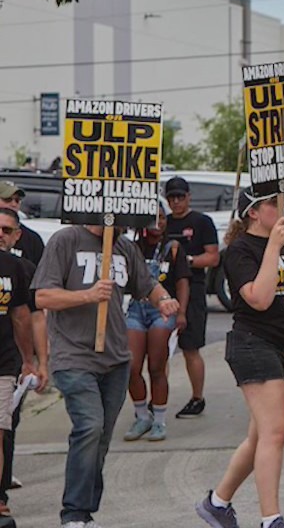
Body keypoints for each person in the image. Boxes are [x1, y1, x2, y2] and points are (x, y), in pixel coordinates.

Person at [34, 221, 179, 528]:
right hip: (73, 355)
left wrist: (163, 299)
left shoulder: (124, 247)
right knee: (89, 426)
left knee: (100, 438)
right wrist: (87, 295)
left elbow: (147, 285)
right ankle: (73, 513)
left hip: (115, 358)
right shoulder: (66, 240)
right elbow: (43, 297)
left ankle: (85, 513)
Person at [196, 189, 284, 528]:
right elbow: (259, 299)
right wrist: (274, 248)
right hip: (253, 343)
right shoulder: (240, 251)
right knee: (275, 432)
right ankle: (271, 519)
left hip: (282, 345)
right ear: (253, 212)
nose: (282, 210)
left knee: (260, 436)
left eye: (282, 203)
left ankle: (217, 503)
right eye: (272, 204)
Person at [123, 202, 191, 442]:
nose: (158, 223)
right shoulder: (131, 247)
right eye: (153, 218)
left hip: (163, 310)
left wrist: (181, 312)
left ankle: (159, 420)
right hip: (135, 308)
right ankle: (142, 416)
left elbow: (183, 281)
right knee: (131, 366)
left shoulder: (173, 248)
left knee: (157, 366)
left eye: (162, 218)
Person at [163, 176, 220, 420]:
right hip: (164, 291)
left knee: (190, 347)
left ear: (188, 197)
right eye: (171, 198)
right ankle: (158, 399)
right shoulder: (162, 224)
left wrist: (186, 261)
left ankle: (198, 397)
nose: (176, 202)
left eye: (180, 197)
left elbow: (213, 257)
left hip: (193, 289)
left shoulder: (201, 222)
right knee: (159, 350)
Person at [0, 209, 36, 519]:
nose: (0, 233)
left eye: (6, 229)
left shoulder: (15, 267)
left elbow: (22, 316)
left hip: (3, 362)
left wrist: (30, 360)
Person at [0, 182, 44, 266]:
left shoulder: (32, 240)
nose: (14, 204)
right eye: (7, 199)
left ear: (17, 234)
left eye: (17, 200)